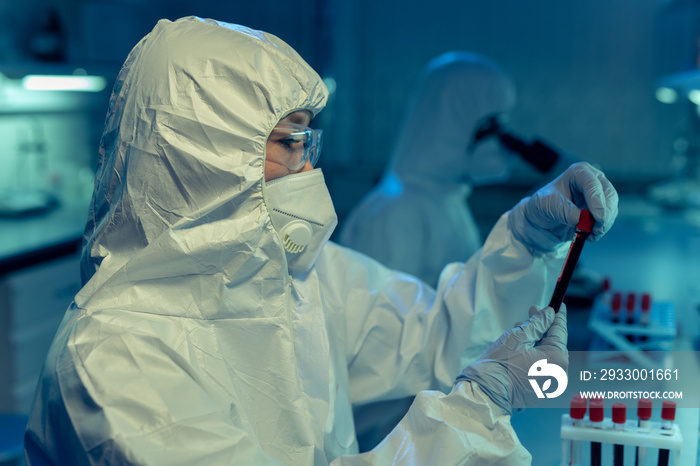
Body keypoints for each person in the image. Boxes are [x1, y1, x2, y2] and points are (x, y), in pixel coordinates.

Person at [24, 17, 618, 465]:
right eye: (289, 143)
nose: (308, 170)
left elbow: (433, 334)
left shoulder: (290, 275)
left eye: (309, 143)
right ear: (202, 155)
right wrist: (474, 410)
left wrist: (526, 241)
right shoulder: (113, 362)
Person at [339, 51, 518, 287]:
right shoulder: (396, 212)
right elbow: (382, 318)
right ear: (451, 126)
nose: (500, 142)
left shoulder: (449, 201)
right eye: (490, 126)